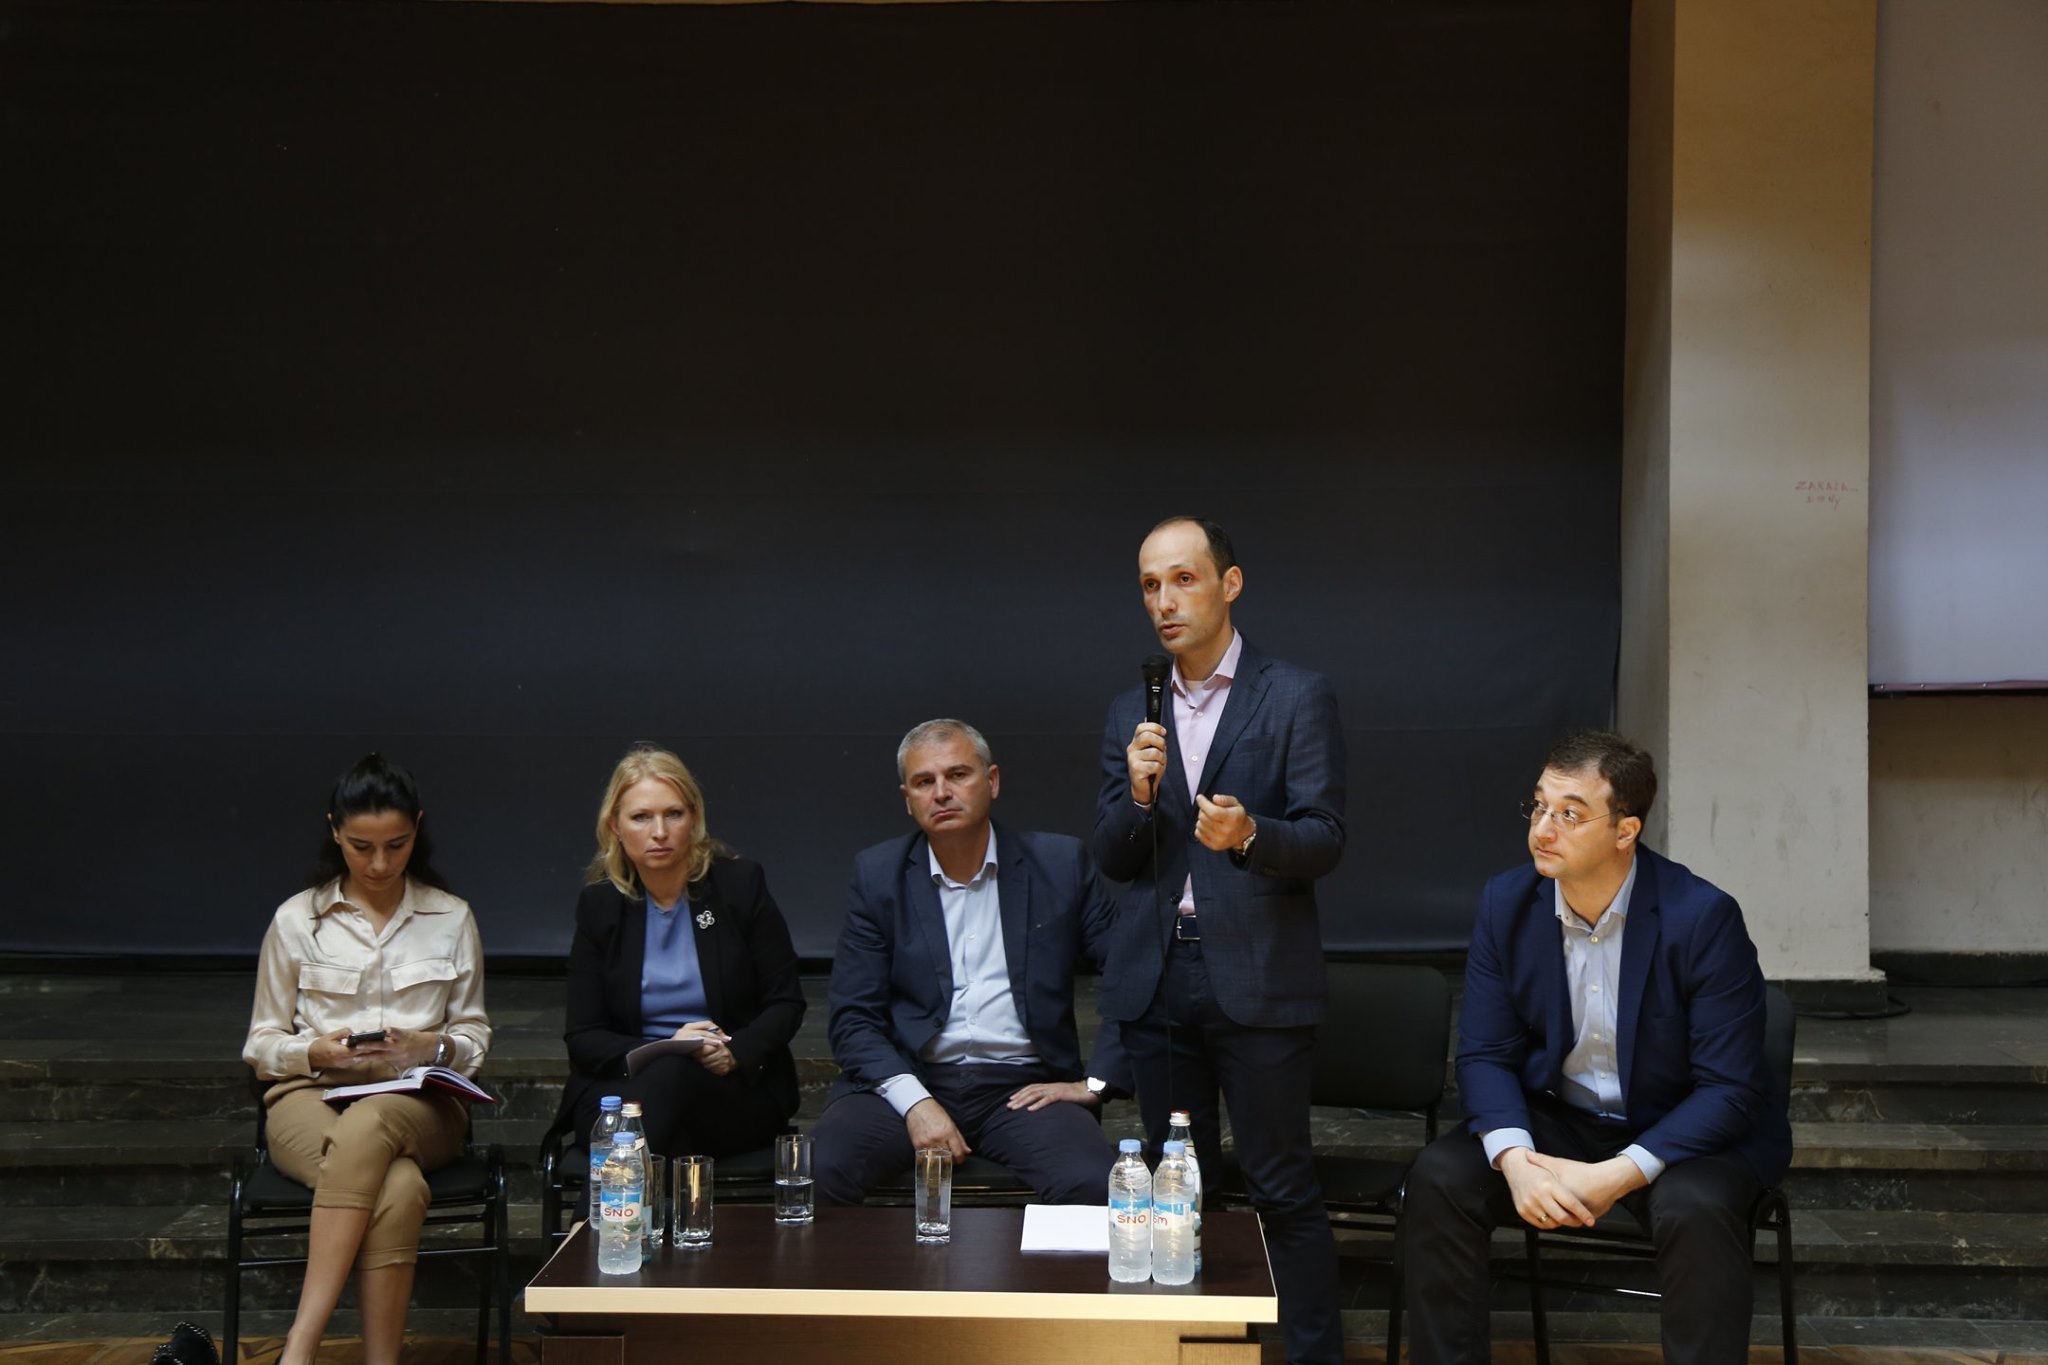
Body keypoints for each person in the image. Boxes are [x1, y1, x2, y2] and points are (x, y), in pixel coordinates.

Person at [1401, 731, 1792, 1365]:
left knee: (1694, 1206)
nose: (1542, 829)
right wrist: (1517, 1161)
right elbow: (1486, 1055)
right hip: (1564, 1118)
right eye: (1538, 807)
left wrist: (1618, 1173)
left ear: (1624, 830)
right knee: (1442, 1177)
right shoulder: (1507, 903)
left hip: (1685, 1129)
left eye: (1570, 814)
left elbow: (1730, 1088)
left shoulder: (1701, 917)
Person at [1091, 515, 1346, 1365]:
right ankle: (1188, 1351)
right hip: (1158, 978)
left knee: (1280, 1186)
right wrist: (1136, 796)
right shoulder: (1132, 709)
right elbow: (1113, 858)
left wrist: (1249, 834)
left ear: (1229, 584)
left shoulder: (1295, 693)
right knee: (1175, 1190)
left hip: (1258, 973)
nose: (1164, 600)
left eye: (1184, 579)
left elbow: (1326, 837)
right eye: (1150, 585)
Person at [813, 717, 1128, 1205]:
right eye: (924, 782)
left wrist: (1096, 1082)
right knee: (822, 1168)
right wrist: (916, 1103)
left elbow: (1132, 975)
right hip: (912, 1078)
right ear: (908, 799)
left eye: (958, 775)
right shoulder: (878, 876)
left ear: (992, 781)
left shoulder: (1060, 865)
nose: (942, 792)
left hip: (1025, 1087)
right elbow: (853, 1017)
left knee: (1091, 1181)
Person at [243, 754, 492, 1365]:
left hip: (421, 1103)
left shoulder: (450, 917)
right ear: (334, 831)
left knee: (374, 1120)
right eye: (361, 847)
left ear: (417, 829)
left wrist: (430, 1047)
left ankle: (300, 1347)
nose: (380, 863)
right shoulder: (297, 920)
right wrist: (313, 1050)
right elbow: (261, 1044)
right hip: (309, 1098)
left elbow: (474, 1035)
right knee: (398, 1186)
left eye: (396, 845)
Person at [557, 744, 804, 1160]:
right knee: (664, 1091)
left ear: (694, 818)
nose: (659, 832)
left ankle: (609, 1200)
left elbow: (786, 1003)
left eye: (673, 814)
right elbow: (583, 1036)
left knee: (658, 1100)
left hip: (729, 1089)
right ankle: (652, 1197)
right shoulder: (600, 906)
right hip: (623, 1089)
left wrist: (735, 1052)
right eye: (641, 817)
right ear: (615, 826)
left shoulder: (739, 887)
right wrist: (663, 1048)